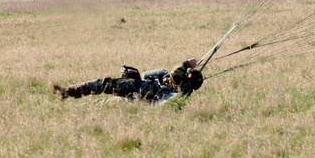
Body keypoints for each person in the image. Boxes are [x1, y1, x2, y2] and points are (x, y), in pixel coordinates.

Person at [52, 57, 204, 103]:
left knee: (104, 93)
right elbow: (147, 74)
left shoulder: (182, 87)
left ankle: (73, 96)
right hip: (135, 91)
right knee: (104, 87)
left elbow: (176, 72)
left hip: (135, 94)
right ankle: (69, 92)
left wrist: (187, 64)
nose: (186, 73)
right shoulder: (176, 84)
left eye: (188, 74)